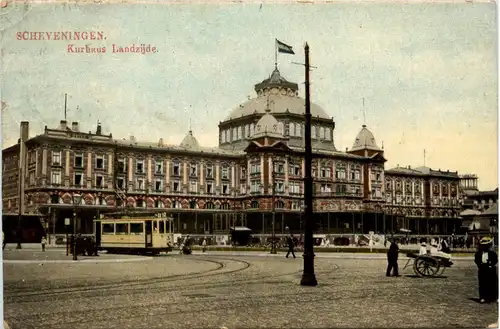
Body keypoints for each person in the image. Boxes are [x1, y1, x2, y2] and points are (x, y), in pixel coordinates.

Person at [474, 237, 498, 303]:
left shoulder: (492, 253)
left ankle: (492, 297)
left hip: (491, 270)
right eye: (483, 245)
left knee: (492, 284)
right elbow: (476, 260)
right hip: (482, 269)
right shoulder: (478, 253)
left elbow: (495, 260)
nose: (485, 247)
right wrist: (480, 265)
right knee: (482, 284)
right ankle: (482, 297)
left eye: (487, 245)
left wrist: (491, 264)